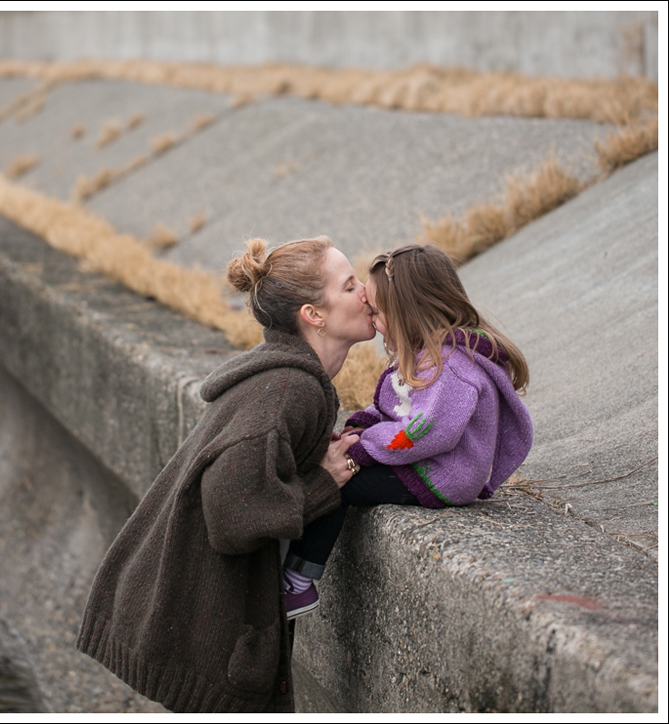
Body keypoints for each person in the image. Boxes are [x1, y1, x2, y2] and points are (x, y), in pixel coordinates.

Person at [76, 236, 377, 712]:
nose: (366, 292)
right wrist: (322, 485)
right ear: (313, 315)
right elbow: (232, 511)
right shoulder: (290, 390)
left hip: (175, 608)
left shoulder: (288, 379)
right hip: (191, 623)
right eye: (349, 285)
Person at [283, 244, 534, 618]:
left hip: (442, 473)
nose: (372, 317)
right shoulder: (423, 354)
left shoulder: (452, 367)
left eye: (378, 312)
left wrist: (363, 449)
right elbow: (396, 408)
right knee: (339, 465)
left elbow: (424, 432)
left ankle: (298, 581)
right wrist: (361, 425)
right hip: (420, 460)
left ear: (407, 311)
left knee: (341, 485)